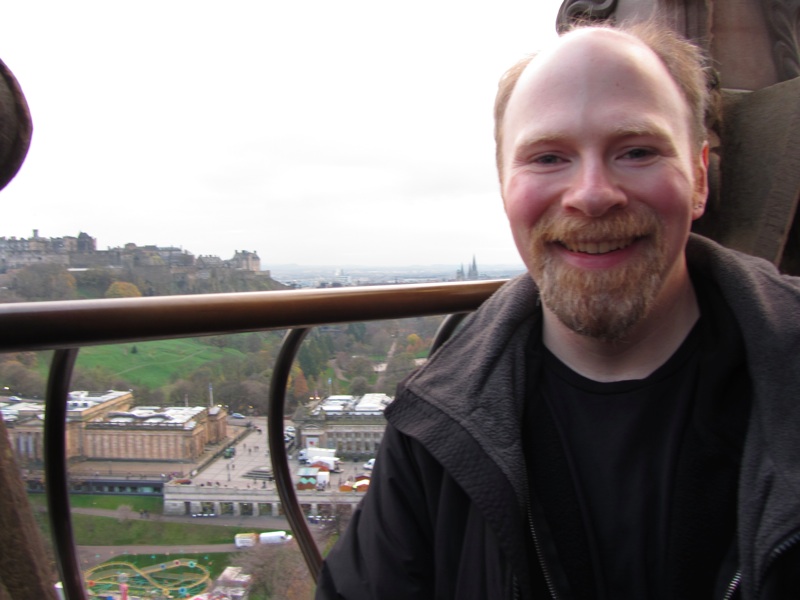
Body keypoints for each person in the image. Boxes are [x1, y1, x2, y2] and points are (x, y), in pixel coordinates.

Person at [315, 20, 800, 600]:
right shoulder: (432, 427)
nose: (592, 194)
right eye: (548, 158)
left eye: (638, 150)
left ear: (698, 178)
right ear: (504, 188)